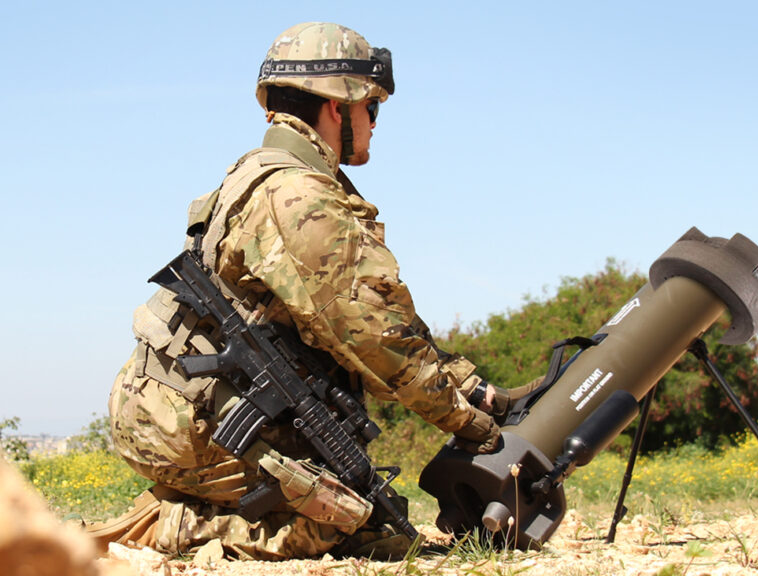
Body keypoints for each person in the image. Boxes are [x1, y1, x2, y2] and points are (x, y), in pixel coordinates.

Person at [87, 21, 514, 561]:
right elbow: (378, 342)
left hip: (178, 407)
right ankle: (168, 525)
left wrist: (471, 387)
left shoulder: (262, 173)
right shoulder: (299, 197)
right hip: (188, 425)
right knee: (347, 525)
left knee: (363, 517)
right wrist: (468, 423)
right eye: (372, 108)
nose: (375, 123)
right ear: (338, 106)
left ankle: (203, 499)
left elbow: (385, 315)